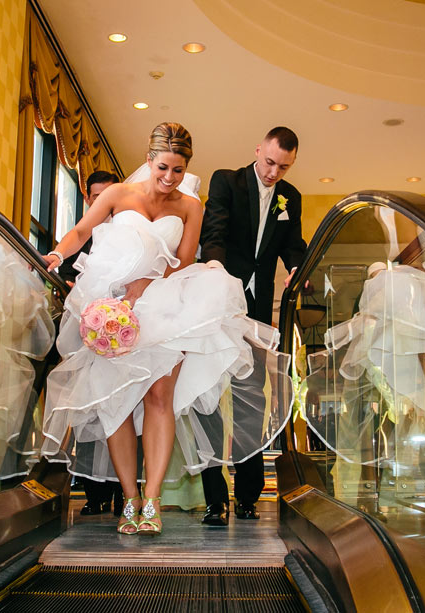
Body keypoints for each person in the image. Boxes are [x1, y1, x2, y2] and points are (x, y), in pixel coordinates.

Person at [40, 122, 291, 535]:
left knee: (160, 396)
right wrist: (57, 252)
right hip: (112, 304)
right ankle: (130, 498)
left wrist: (148, 282)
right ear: (148, 160)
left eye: (178, 170)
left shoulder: (191, 206)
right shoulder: (119, 195)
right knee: (115, 403)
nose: (168, 178)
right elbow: (83, 231)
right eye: (162, 168)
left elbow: (186, 259)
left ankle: (152, 498)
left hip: (162, 305)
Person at [198, 126, 306, 525]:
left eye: (284, 167)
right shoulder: (226, 181)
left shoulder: (290, 197)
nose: (274, 172)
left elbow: (291, 242)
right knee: (209, 399)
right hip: (219, 303)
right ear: (258, 149)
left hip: (258, 311)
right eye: (270, 162)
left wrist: (297, 265)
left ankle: (247, 496)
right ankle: (214, 499)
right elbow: (215, 230)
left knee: (251, 402)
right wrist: (214, 272)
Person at [56, 170, 124, 517]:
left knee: (123, 409)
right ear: (88, 199)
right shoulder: (81, 237)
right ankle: (94, 492)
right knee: (89, 410)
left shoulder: (130, 232)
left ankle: (123, 491)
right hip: (89, 334)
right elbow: (64, 274)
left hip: (124, 334)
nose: (102, 203)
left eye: (108, 195)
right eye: (95, 197)